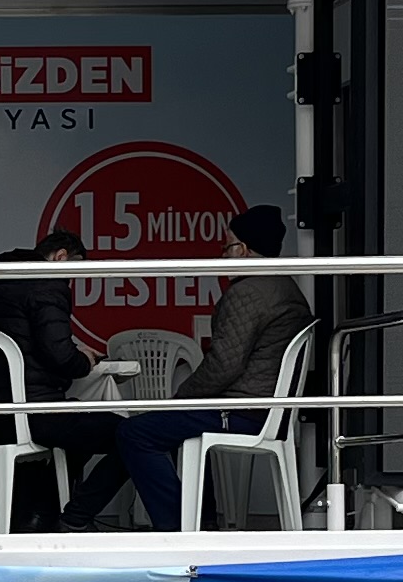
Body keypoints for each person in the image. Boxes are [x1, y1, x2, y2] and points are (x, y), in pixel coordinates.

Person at [79, 207, 314, 533]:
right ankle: (82, 516)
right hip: (262, 410)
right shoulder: (285, 288)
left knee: (135, 432)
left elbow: (223, 365)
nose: (221, 254)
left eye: (226, 246)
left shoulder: (247, 292)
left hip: (241, 410)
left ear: (243, 250)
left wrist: (179, 398)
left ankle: (176, 527)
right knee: (160, 427)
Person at [0, 234, 127, 530]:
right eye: (75, 270)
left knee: (78, 424)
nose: (72, 279)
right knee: (132, 434)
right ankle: (75, 517)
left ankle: (41, 514)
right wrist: (85, 359)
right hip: (31, 413)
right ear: (60, 257)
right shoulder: (47, 284)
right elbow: (60, 356)